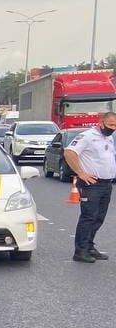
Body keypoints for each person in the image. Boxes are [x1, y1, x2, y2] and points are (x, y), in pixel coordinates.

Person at [63, 111, 116, 263]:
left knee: (99, 218)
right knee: (89, 216)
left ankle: (89, 246)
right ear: (101, 123)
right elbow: (69, 153)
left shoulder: (109, 137)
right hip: (91, 184)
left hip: (106, 183)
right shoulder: (87, 136)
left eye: (115, 125)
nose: (113, 128)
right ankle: (80, 251)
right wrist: (81, 173)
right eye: (110, 125)